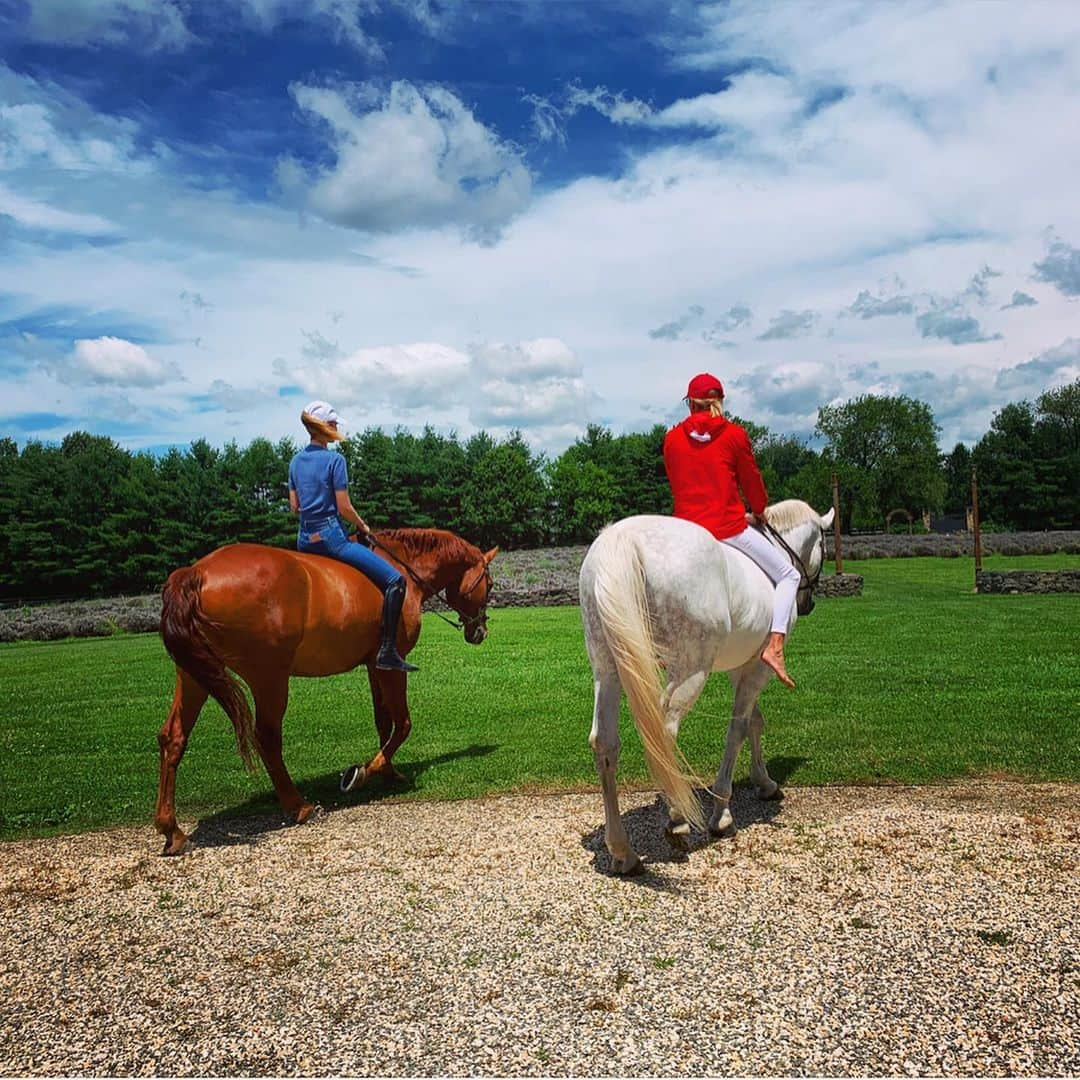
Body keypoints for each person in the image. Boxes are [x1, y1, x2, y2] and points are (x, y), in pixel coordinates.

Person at [662, 373, 800, 688]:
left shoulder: (671, 440)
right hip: (727, 527)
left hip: (685, 530)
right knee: (789, 575)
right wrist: (760, 510)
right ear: (719, 401)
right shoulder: (735, 435)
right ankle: (775, 647)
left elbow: (678, 483)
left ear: (689, 404)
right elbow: (752, 482)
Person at [287, 400, 418, 673]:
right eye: (333, 423)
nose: (336, 427)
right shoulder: (336, 460)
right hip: (332, 539)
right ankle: (388, 650)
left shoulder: (295, 462)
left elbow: (294, 507)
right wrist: (364, 526)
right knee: (396, 580)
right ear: (324, 427)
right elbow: (344, 506)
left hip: (304, 540)